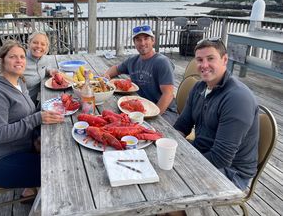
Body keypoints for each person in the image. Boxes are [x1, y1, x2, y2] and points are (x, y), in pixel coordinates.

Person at [0, 40, 64, 197]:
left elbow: (26, 113)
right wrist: (37, 119)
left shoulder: (19, 82)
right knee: (57, 171)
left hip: (16, 147)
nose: (19, 60)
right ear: (2, 60)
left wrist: (36, 134)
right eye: (13, 57)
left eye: (22, 57)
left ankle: (31, 192)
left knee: (58, 154)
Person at [173, 37, 259, 190]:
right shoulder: (199, 87)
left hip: (231, 172)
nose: (204, 65)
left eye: (210, 58)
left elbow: (221, 158)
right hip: (201, 151)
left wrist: (181, 164)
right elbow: (182, 125)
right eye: (199, 60)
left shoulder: (237, 98)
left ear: (224, 59)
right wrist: (170, 145)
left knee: (172, 186)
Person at [104, 25, 178, 124]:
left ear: (153, 41)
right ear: (134, 43)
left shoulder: (162, 62)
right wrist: (106, 75)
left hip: (164, 112)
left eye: (146, 38)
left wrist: (154, 116)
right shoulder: (132, 61)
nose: (142, 43)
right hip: (140, 109)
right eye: (138, 40)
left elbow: (168, 94)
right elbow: (116, 69)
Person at [24, 32, 58, 105]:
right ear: (29, 44)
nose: (39, 46)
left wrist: (49, 71)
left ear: (46, 48)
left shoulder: (44, 58)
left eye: (43, 44)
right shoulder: (21, 60)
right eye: (35, 42)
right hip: (21, 105)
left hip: (34, 101)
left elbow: (43, 68)